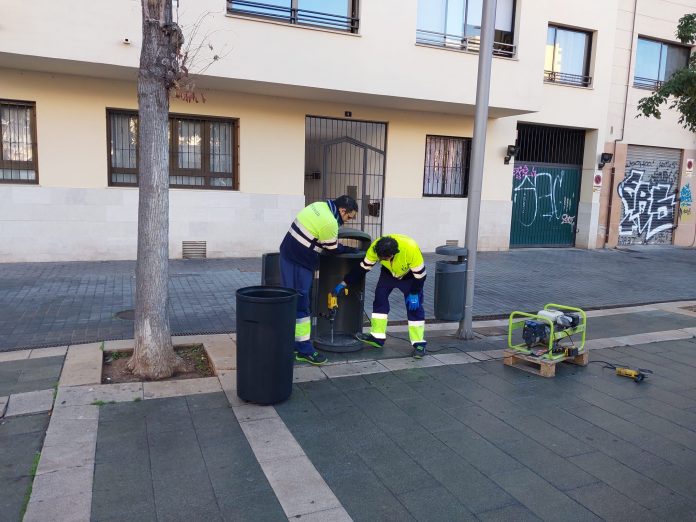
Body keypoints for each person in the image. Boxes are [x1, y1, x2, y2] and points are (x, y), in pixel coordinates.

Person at [280, 195, 359, 365]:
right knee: (302, 304)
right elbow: (332, 248)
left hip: (287, 253)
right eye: (349, 217)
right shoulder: (329, 222)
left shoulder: (318, 206)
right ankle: (303, 349)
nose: (347, 221)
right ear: (342, 210)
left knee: (289, 300)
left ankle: (290, 343)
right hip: (299, 262)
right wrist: (351, 250)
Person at [334, 234, 427, 359]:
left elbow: (421, 276)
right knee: (379, 299)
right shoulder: (375, 248)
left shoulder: (411, 249)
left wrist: (415, 292)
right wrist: (345, 282)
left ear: (394, 253)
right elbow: (363, 267)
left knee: (414, 308)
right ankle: (377, 337)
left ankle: (419, 343)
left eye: (386, 257)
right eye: (381, 258)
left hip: (410, 277)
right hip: (388, 274)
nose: (383, 259)